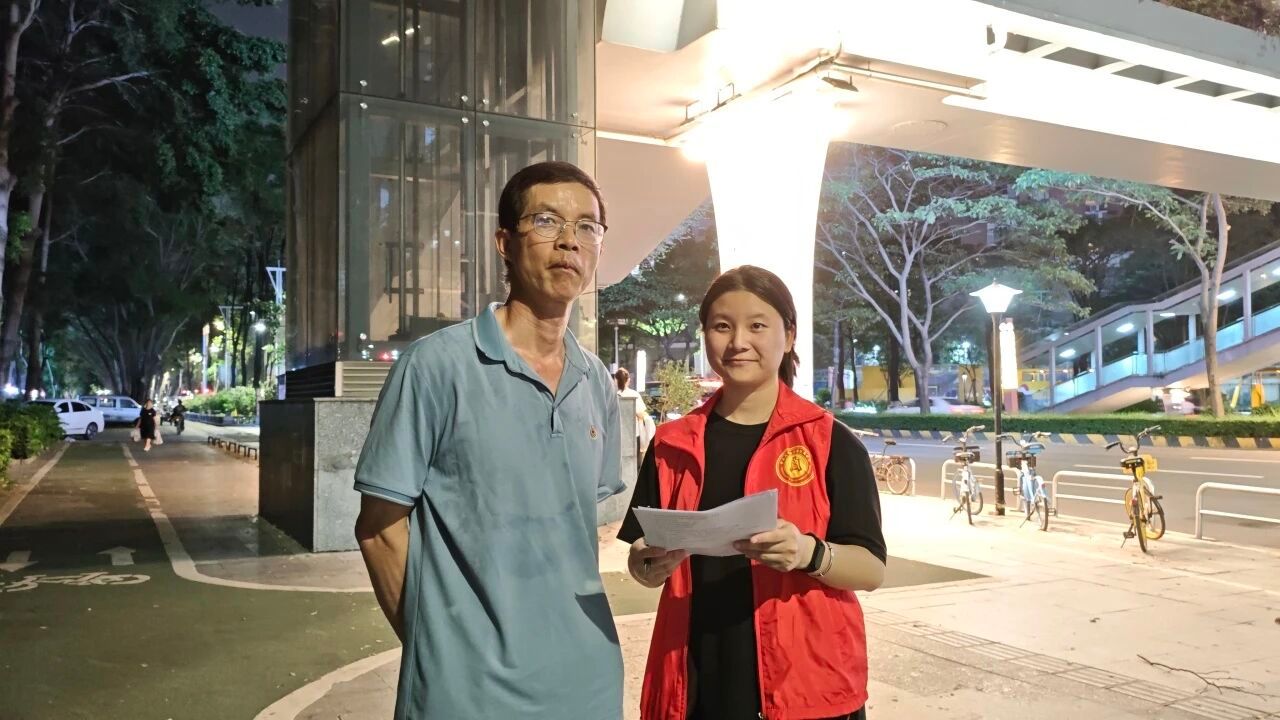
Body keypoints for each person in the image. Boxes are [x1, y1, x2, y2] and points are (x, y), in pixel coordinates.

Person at [353, 161, 626, 720]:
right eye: (546, 221)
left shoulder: (597, 380)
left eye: (587, 227)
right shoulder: (436, 365)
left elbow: (576, 530)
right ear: (504, 242)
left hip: (587, 683)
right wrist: (438, 651)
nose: (569, 241)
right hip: (467, 693)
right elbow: (379, 529)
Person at [618, 265, 887, 720]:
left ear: (789, 335)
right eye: (722, 326)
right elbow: (640, 555)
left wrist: (808, 553)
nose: (738, 341)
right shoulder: (671, 445)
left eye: (757, 325)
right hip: (695, 678)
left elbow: (871, 569)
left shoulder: (830, 442)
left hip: (806, 685)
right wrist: (648, 564)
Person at [615, 367, 655, 455]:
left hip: (618, 436)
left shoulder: (613, 396)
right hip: (634, 435)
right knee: (635, 461)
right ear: (628, 380)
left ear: (616, 380)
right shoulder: (634, 394)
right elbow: (641, 414)